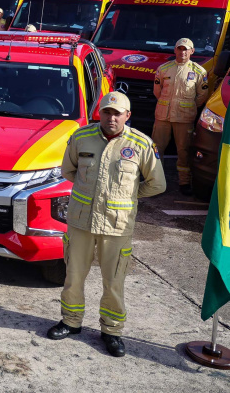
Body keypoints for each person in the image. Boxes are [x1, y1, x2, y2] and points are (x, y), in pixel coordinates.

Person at [46, 92, 166, 357]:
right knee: (73, 276)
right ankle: (70, 321)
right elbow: (68, 170)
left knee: (114, 282)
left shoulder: (141, 144)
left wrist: (128, 195)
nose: (112, 118)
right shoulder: (81, 137)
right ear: (99, 113)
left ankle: (111, 331)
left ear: (128, 116)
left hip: (117, 225)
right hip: (81, 221)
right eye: (107, 112)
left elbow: (157, 183)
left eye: (117, 113)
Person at [152, 38, 208, 195]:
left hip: (184, 118)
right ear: (175, 50)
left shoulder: (199, 72)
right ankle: (156, 181)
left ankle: (184, 182)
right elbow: (157, 92)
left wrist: (186, 107)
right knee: (157, 148)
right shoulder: (163, 69)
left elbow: (202, 95)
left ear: (192, 51)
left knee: (183, 150)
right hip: (163, 116)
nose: (182, 52)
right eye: (180, 49)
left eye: (186, 49)